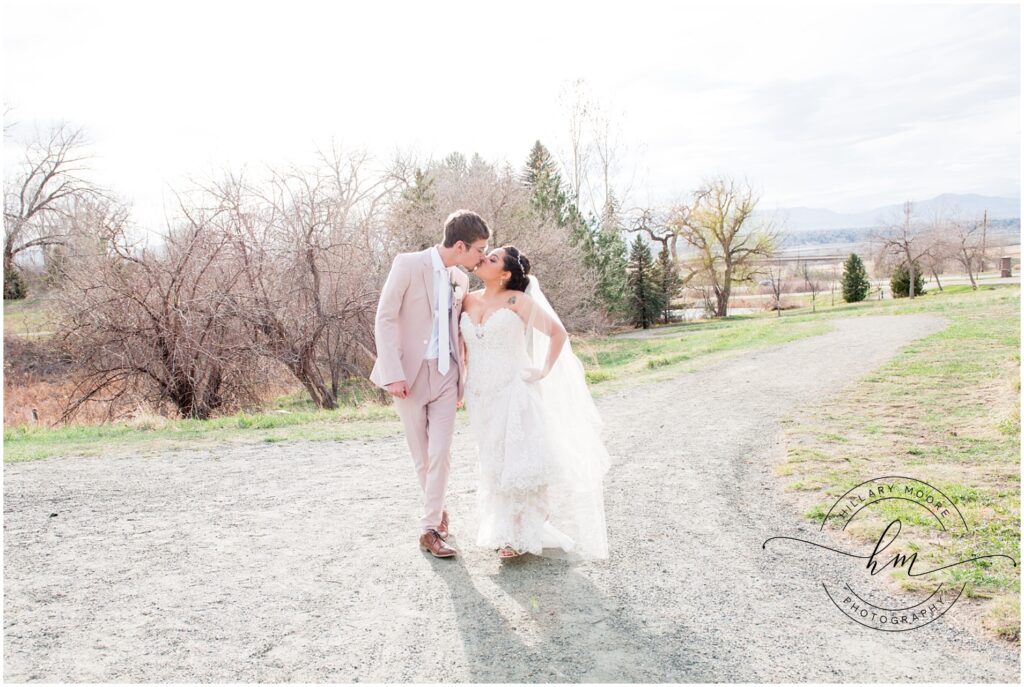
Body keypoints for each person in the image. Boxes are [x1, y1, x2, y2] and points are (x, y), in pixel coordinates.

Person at [459, 245, 611, 560]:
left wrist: (542, 370)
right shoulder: (467, 299)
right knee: (494, 461)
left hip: (514, 389)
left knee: (519, 460)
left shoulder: (518, 301)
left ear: (505, 273)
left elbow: (557, 333)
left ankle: (517, 533)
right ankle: (505, 527)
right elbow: (461, 346)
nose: (484, 259)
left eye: (492, 258)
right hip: (479, 395)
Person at [369, 209, 490, 558]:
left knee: (441, 452)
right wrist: (392, 371)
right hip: (407, 373)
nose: (481, 256)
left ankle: (429, 529)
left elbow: (458, 331)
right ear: (460, 245)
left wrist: (461, 378)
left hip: (446, 375)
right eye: (479, 249)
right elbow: (386, 316)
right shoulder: (407, 264)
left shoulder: (461, 280)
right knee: (422, 455)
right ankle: (437, 511)